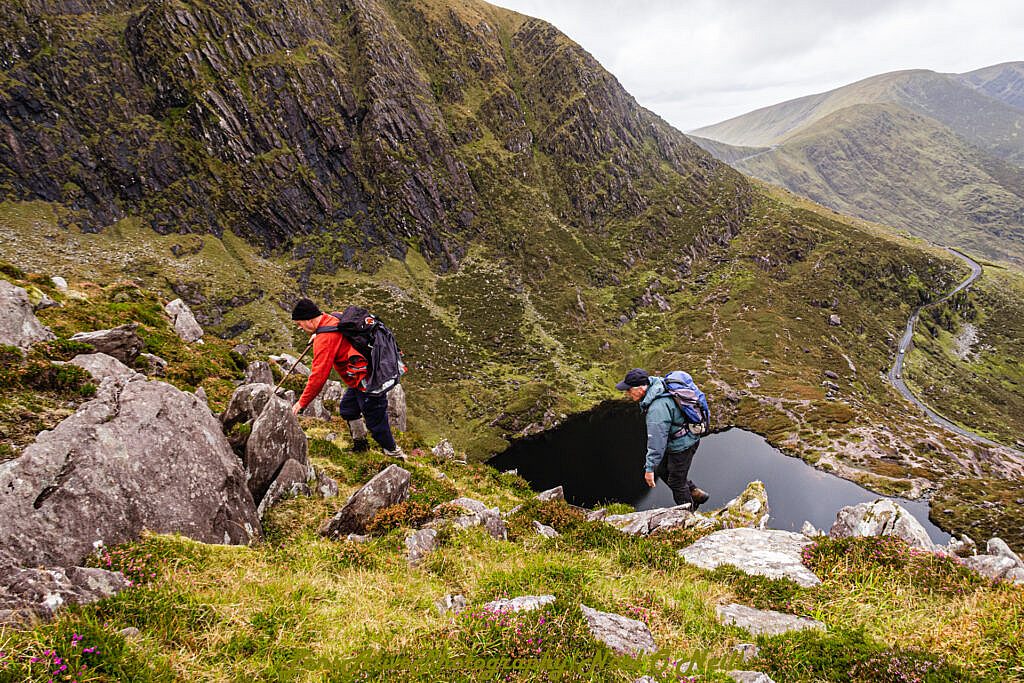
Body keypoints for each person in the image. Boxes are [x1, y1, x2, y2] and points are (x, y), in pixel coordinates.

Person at [290, 298, 406, 460]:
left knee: (376, 421)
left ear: (309, 320)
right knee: (348, 409)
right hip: (361, 377)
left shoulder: (325, 340)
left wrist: (301, 403)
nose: (299, 327)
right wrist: (317, 334)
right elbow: (335, 332)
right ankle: (361, 446)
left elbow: (318, 377)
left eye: (299, 323)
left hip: (369, 380)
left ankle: (395, 454)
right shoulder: (332, 318)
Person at [617, 368, 708, 510]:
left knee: (676, 482)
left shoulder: (656, 409)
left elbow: (656, 443)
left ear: (640, 388)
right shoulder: (656, 385)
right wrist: (654, 467)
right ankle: (695, 493)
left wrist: (649, 469)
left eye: (629, 390)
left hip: (683, 444)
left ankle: (689, 516)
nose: (627, 393)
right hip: (684, 437)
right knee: (663, 470)